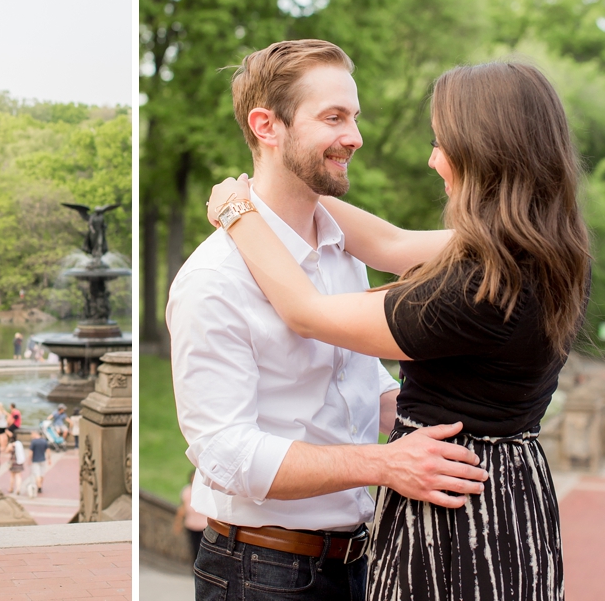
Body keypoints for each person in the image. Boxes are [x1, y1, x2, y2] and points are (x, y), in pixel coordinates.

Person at [207, 60, 587, 600]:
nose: (433, 160)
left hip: (454, 519)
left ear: (482, 154)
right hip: (511, 493)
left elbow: (306, 313)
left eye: (441, 143)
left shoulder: (473, 289)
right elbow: (393, 245)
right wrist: (300, 178)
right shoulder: (548, 249)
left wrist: (238, 210)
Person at [169, 40, 486, 600]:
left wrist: (447, 424)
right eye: (333, 117)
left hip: (358, 561)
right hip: (261, 571)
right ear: (266, 125)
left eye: (354, 117)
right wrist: (386, 465)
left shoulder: (343, 248)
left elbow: (356, 384)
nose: (356, 137)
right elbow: (227, 455)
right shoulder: (214, 278)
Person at [174, 471, 207, 561]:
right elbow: (182, 508)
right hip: (191, 525)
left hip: (203, 526)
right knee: (194, 548)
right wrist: (178, 522)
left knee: (201, 548)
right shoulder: (186, 491)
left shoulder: (205, 491)